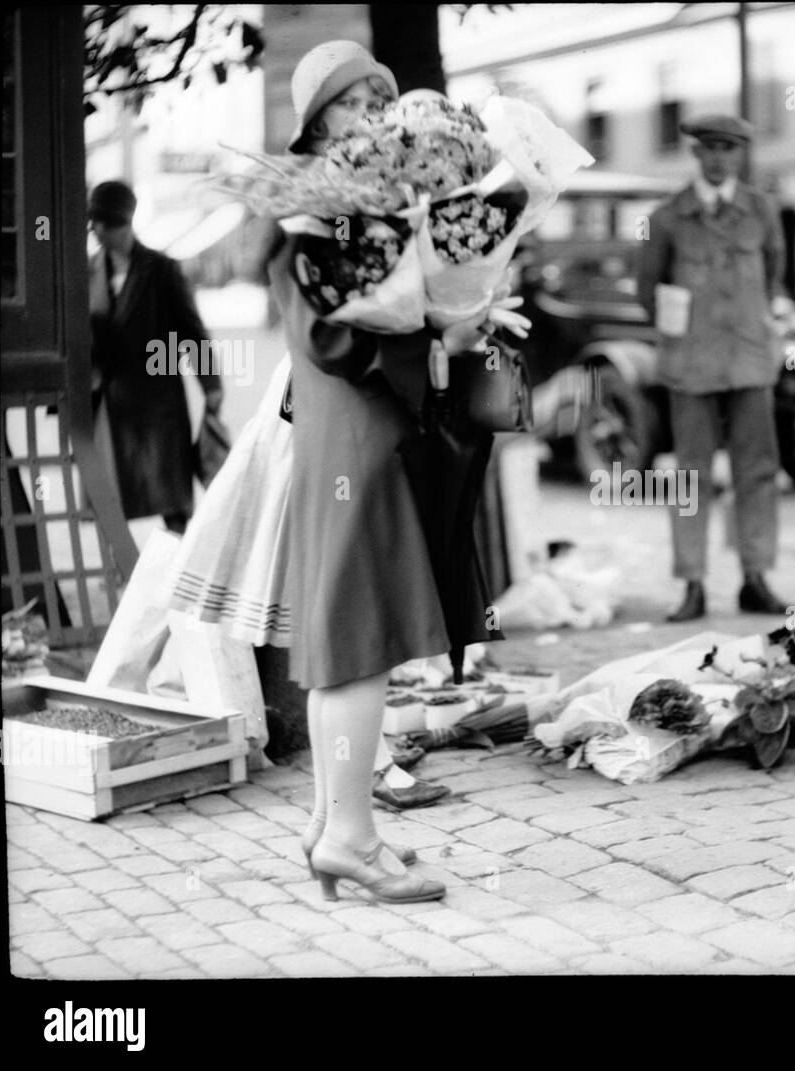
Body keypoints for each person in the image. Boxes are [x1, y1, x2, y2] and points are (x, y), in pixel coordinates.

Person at [269, 40, 499, 903]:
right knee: (360, 644)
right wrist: (434, 329)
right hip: (358, 425)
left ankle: (332, 822)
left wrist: (441, 308)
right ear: (319, 121)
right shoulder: (319, 199)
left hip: (346, 426)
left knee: (344, 646)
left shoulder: (339, 197)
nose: (372, 105)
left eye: (380, 92)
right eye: (352, 96)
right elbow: (336, 335)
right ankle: (353, 839)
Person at [636, 114, 794, 623]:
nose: (720, 158)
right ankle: (693, 583)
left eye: (730, 148)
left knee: (757, 471)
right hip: (692, 361)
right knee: (690, 475)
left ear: (742, 154)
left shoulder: (761, 211)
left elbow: (773, 272)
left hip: (749, 358)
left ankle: (755, 576)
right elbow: (648, 290)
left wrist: (751, 319)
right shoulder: (667, 218)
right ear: (695, 154)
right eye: (711, 148)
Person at [88, 180, 224, 534]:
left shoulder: (161, 270)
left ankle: (178, 565)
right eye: (94, 222)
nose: (97, 231)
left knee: (171, 498)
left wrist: (210, 385)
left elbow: (191, 330)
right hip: (112, 403)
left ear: (122, 222)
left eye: (103, 222)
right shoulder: (86, 273)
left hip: (157, 400)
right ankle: (120, 572)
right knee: (111, 496)